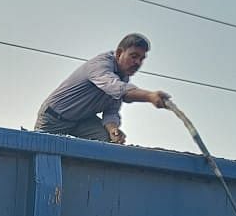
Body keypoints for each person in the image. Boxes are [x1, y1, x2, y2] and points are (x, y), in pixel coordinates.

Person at [34, 33, 170, 144]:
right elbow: (117, 88)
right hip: (53, 119)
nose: (138, 63)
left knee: (109, 142)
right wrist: (149, 96)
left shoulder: (123, 78)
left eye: (141, 59)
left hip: (82, 121)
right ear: (119, 53)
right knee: (40, 150)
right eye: (134, 56)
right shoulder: (100, 65)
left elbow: (111, 111)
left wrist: (113, 129)